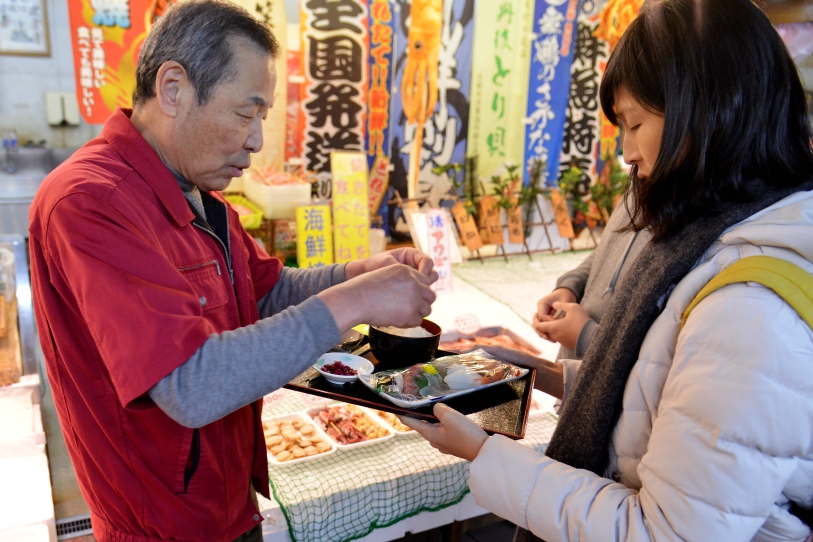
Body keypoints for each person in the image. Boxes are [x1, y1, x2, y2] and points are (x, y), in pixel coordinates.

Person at [403, 1, 813, 540]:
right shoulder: (708, 235)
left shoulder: (750, 310)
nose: (627, 153)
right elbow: (658, 393)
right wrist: (528, 370)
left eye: (634, 123)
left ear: (710, 111)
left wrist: (483, 453)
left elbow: (665, 532)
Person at [29, 2, 437, 541]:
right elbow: (191, 386)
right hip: (162, 527)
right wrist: (358, 301)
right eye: (246, 114)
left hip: (226, 500)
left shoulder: (198, 193)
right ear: (173, 88)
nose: (256, 140)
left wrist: (361, 272)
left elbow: (267, 292)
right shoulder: (91, 202)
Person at [532, 196, 651, 402]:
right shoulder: (638, 183)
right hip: (576, 383)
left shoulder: (693, 214)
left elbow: (654, 363)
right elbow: (607, 250)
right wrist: (570, 286)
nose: (627, 161)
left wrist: (586, 337)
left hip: (618, 399)